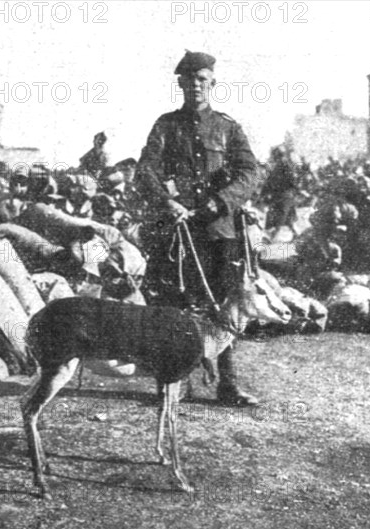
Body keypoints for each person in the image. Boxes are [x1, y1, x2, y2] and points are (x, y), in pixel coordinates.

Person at [134, 50, 259, 406]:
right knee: (177, 305)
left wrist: (221, 201)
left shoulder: (227, 127)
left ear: (212, 84)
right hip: (179, 233)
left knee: (224, 305)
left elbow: (251, 173)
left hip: (220, 232)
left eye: (202, 80)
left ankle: (228, 385)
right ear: (181, 85)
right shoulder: (165, 126)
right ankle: (178, 382)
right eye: (189, 81)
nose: (196, 86)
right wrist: (165, 201)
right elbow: (145, 170)